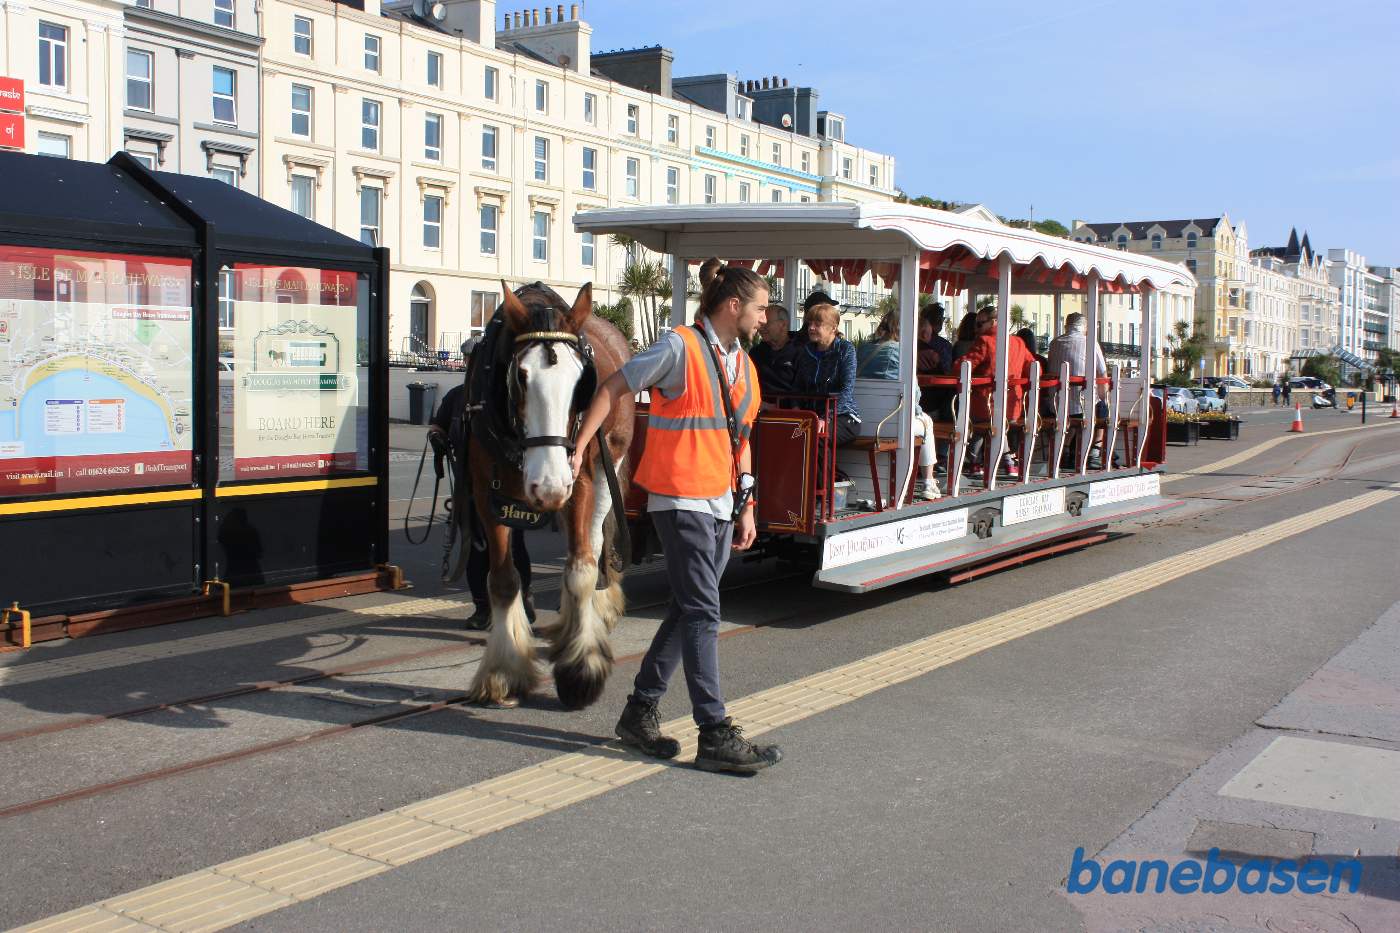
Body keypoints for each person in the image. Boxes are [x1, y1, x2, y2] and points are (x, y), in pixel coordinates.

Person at [570, 257, 781, 775]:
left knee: (688, 609)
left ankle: (639, 710)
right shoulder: (678, 348)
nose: (766, 318)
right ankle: (714, 731)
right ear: (733, 306)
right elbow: (612, 388)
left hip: (723, 502)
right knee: (704, 611)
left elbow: (740, 439)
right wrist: (578, 449)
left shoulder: (744, 364)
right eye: (760, 308)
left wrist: (748, 505)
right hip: (681, 498)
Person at [428, 350, 535, 631]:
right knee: (475, 547)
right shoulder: (456, 396)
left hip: (506, 489)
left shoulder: (503, 399)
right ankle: (483, 607)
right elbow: (438, 424)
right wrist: (437, 438)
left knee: (513, 546)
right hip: (470, 487)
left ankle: (523, 600)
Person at [855, 309, 940, 499]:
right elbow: (914, 397)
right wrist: (917, 411)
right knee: (926, 421)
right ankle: (928, 481)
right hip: (890, 423)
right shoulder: (902, 352)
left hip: (861, 421)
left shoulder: (863, 349)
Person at [955, 305, 1035, 480]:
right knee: (995, 427)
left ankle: (981, 462)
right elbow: (1033, 368)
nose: (976, 328)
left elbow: (963, 366)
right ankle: (1000, 462)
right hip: (1013, 405)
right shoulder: (1018, 342)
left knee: (980, 427)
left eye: (980, 324)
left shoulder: (984, 341)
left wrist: (955, 364)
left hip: (986, 404)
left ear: (993, 322)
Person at [1047, 313, 1111, 468]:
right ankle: (1095, 451)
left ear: (1066, 326)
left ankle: (1065, 449)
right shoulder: (1090, 343)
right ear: (1084, 327)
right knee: (1102, 409)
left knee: (1071, 412)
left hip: (1055, 405)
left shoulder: (1054, 343)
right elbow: (1102, 374)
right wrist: (1104, 398)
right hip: (1081, 406)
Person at [793, 299, 860, 445]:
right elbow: (798, 387)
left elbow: (847, 390)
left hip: (843, 417)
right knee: (791, 435)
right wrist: (796, 410)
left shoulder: (845, 349)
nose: (811, 328)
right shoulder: (806, 351)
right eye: (809, 323)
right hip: (812, 415)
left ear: (833, 328)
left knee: (817, 436)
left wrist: (826, 417)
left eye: (817, 324)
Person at [750, 302, 802, 395]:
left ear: (783, 325)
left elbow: (802, 389)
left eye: (766, 323)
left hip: (788, 403)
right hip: (759, 402)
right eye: (761, 324)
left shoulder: (800, 352)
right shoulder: (755, 353)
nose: (761, 328)